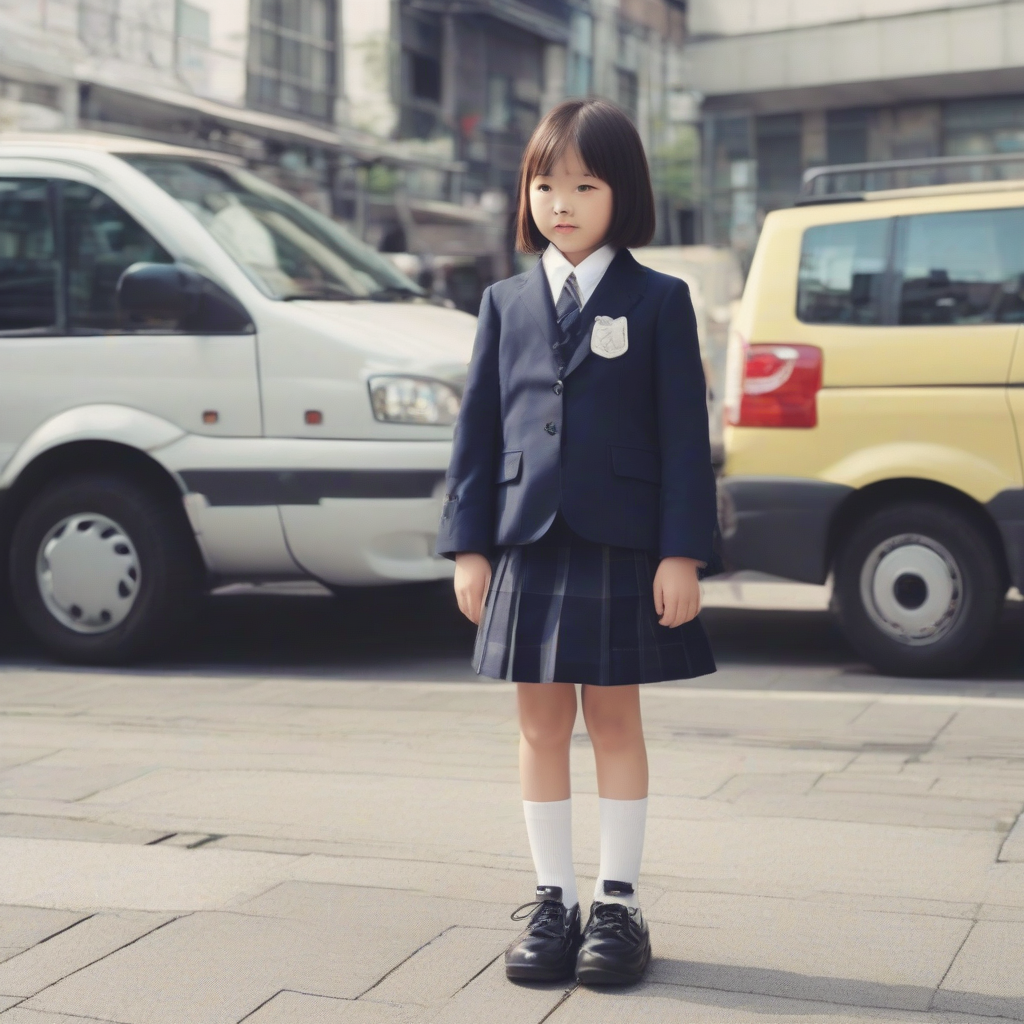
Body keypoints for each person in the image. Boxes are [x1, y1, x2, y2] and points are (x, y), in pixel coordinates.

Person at [436, 98, 718, 987]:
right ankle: (553, 900)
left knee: (616, 717)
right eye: (546, 183)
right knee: (539, 721)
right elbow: (478, 432)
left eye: (585, 185)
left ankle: (620, 903)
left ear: (619, 194)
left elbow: (684, 434)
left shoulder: (660, 299)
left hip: (624, 539)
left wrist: (682, 552)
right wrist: (469, 545)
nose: (562, 201)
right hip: (526, 536)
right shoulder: (503, 301)